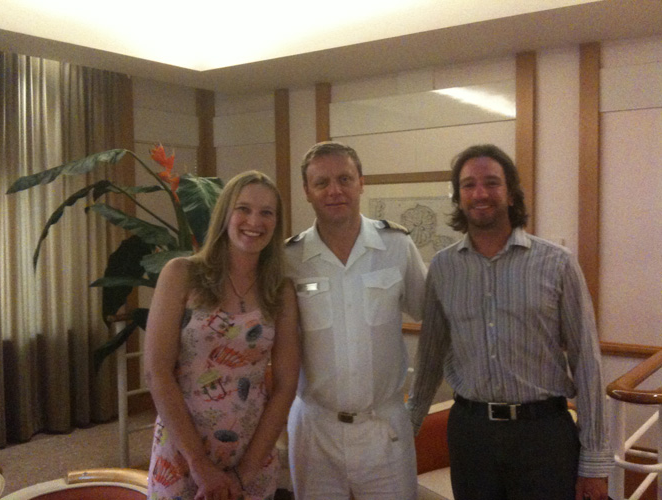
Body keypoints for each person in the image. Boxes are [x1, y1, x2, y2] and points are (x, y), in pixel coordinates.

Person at [407, 144, 613, 500]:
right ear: (458, 197)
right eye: (469, 185)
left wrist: (594, 462)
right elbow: (429, 357)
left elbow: (587, 364)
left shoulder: (557, 263)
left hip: (544, 434)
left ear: (512, 193)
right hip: (471, 434)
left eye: (491, 183)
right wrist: (407, 427)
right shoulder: (443, 268)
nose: (480, 193)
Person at [144, 170, 300, 500]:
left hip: (251, 451)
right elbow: (157, 372)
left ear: (276, 223)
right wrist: (199, 464)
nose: (254, 221)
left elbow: (286, 383)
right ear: (225, 213)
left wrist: (244, 474)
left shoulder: (280, 290)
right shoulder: (181, 274)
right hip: (182, 450)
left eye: (266, 212)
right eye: (243, 208)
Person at [284, 141, 427, 500]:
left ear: (361, 182)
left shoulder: (396, 245)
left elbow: (431, 314)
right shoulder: (290, 258)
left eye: (344, 178)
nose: (334, 191)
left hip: (383, 429)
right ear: (306, 191)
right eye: (321, 183)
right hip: (315, 431)